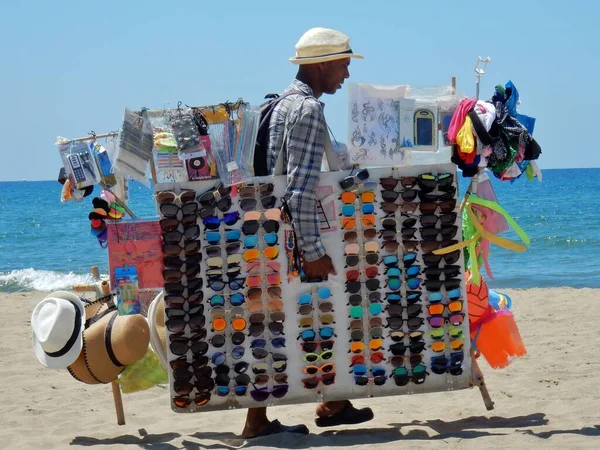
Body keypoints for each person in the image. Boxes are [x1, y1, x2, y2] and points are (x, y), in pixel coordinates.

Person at [241, 27, 374, 439]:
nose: (347, 74)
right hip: (296, 234)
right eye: (343, 64)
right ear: (321, 64)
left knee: (278, 320)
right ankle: (262, 419)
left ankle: (329, 402)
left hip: (267, 230)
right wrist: (313, 250)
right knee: (315, 312)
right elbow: (299, 189)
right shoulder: (308, 111)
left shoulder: (275, 105)